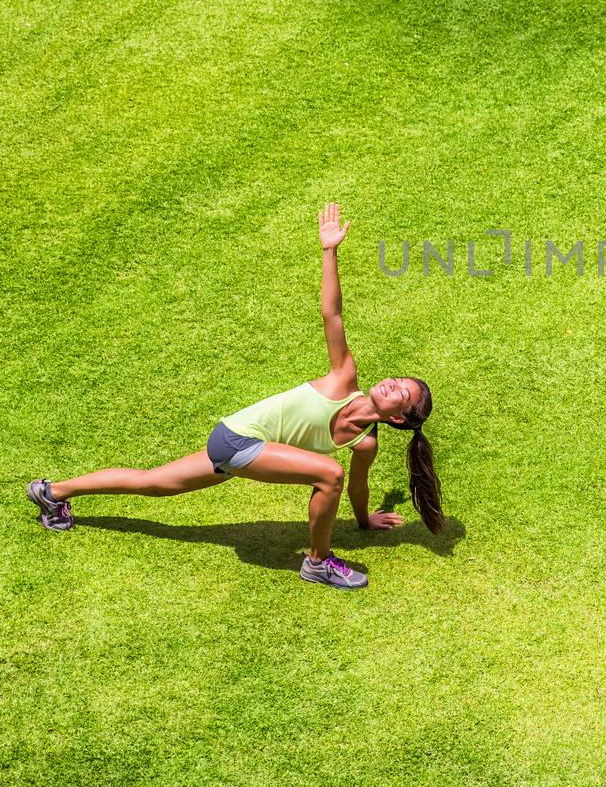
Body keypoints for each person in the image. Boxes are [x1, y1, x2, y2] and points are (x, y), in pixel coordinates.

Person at [26, 203, 444, 591]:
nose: (391, 383)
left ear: (397, 420)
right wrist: (329, 252)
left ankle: (53, 493)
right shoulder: (343, 377)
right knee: (326, 474)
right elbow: (331, 314)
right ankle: (318, 561)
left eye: (400, 393)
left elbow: (357, 487)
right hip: (235, 439)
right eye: (397, 379)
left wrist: (365, 522)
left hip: (241, 448)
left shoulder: (364, 442)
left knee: (149, 483)